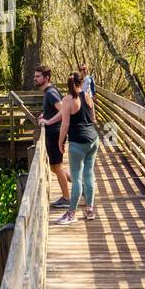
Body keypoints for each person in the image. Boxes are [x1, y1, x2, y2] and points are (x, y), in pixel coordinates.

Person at [56, 71, 100, 225]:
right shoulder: (88, 96)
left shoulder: (67, 99)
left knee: (76, 178)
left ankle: (71, 213)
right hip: (93, 139)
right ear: (82, 82)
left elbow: (65, 124)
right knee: (88, 174)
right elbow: (93, 119)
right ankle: (89, 210)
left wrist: (60, 142)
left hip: (78, 142)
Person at [34, 65, 71, 207]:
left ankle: (66, 199)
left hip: (55, 133)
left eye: (38, 76)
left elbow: (63, 110)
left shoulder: (50, 92)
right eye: (35, 76)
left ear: (47, 78)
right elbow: (56, 110)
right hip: (53, 133)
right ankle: (83, 186)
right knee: (55, 167)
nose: (35, 79)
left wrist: (48, 121)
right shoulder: (49, 92)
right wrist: (46, 114)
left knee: (57, 166)